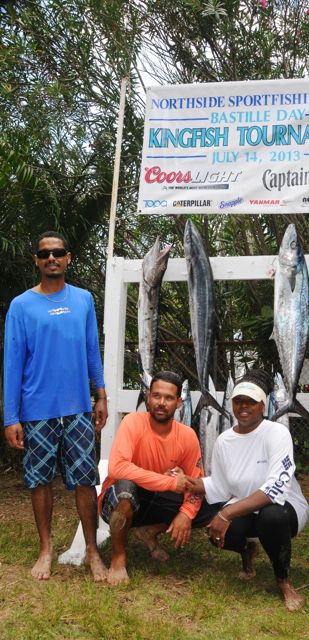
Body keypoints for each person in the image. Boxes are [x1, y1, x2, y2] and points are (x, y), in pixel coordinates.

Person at [3, 231, 108, 582]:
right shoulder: (21, 306)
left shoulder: (83, 300)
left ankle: (92, 551)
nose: (52, 258)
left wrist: (101, 394)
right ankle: (46, 549)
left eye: (58, 252)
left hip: (78, 407)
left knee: (84, 480)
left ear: (68, 257)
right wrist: (10, 417)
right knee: (39, 481)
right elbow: (13, 364)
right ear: (36, 259)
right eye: (45, 253)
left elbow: (92, 349)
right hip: (36, 410)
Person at [185, 370, 309, 611]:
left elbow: (274, 490)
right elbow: (219, 486)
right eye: (238, 400)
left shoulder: (276, 433)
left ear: (263, 405)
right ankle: (247, 551)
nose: (244, 406)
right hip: (245, 507)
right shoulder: (224, 441)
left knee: (270, 516)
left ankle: (283, 580)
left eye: (251, 401)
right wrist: (189, 482)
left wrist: (226, 514)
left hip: (286, 510)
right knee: (218, 533)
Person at [98, 371, 222, 586]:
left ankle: (149, 531)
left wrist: (186, 513)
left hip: (158, 500)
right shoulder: (132, 422)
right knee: (126, 488)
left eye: (168, 398)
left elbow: (195, 482)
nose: (161, 403)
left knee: (215, 507)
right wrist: (170, 482)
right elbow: (117, 468)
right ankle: (118, 557)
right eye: (156, 396)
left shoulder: (187, 435)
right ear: (148, 397)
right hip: (121, 502)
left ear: (179, 403)